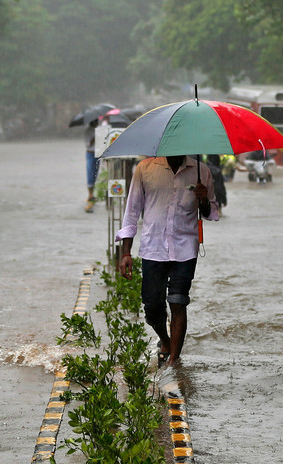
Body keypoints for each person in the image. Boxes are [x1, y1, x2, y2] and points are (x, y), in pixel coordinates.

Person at [116, 155, 219, 368]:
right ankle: (165, 340)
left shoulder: (202, 171)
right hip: (153, 248)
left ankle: (174, 361)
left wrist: (202, 199)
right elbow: (132, 211)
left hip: (185, 248)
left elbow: (210, 212)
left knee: (178, 301)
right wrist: (126, 252)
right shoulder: (144, 169)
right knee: (152, 307)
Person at [84, 119, 99, 213]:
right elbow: (88, 143)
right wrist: (96, 136)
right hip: (90, 153)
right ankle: (90, 194)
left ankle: (92, 193)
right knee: (90, 173)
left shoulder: (98, 130)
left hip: (97, 154)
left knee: (95, 174)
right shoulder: (88, 131)